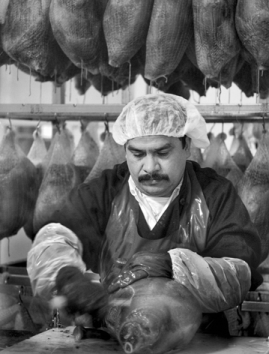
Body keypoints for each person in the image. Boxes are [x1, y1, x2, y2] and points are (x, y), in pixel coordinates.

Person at [27, 93, 262, 338]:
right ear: (126, 150)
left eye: (162, 153)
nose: (150, 167)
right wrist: (67, 277)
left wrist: (174, 267)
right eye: (138, 154)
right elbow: (54, 239)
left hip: (200, 341)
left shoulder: (215, 194)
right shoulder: (105, 191)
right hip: (122, 338)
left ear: (186, 147)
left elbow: (238, 273)